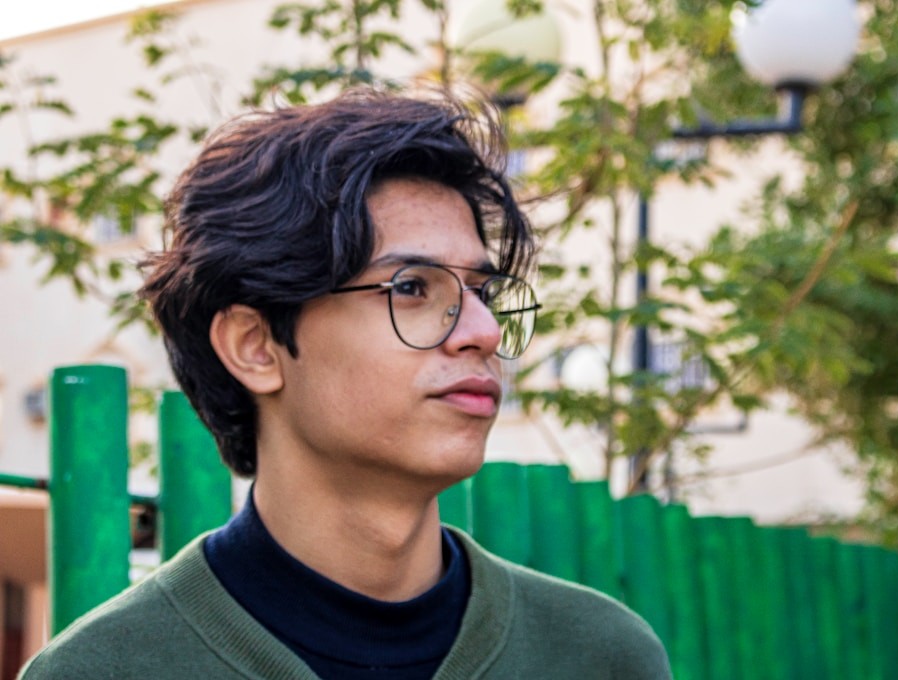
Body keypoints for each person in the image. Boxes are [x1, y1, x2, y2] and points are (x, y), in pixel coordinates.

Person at [19, 89, 671, 679]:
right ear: (256, 347)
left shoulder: (598, 654)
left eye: (481, 292)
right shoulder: (106, 670)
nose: (483, 331)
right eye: (412, 288)